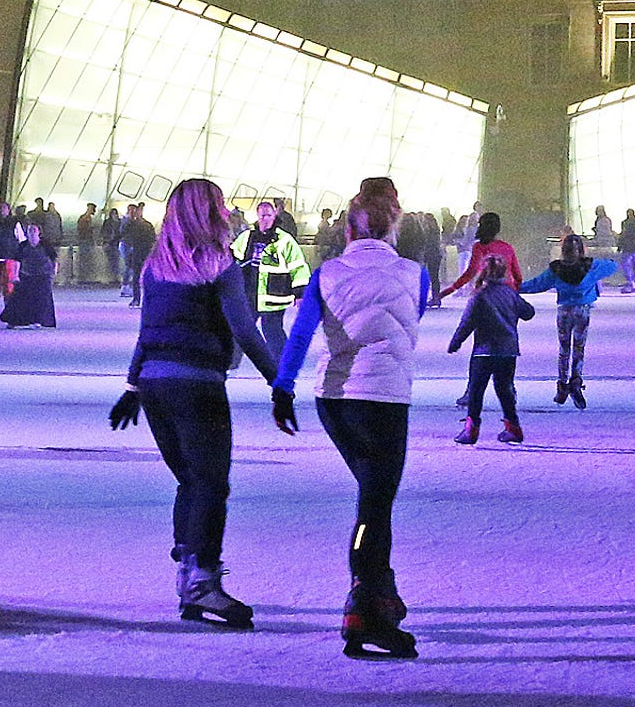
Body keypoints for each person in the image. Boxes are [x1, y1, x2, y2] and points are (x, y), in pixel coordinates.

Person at [108, 177, 294, 629]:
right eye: (220, 206)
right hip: (197, 384)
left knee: (190, 480)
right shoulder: (217, 263)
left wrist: (133, 386)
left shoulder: (155, 267)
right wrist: (280, 383)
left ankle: (189, 574)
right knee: (211, 483)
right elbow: (245, 330)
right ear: (210, 213)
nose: (227, 212)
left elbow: (146, 331)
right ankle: (202, 580)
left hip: (155, 384)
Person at [273, 181, 427, 659]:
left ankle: (380, 591)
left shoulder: (327, 274)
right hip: (384, 399)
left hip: (335, 400)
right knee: (375, 505)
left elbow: (301, 333)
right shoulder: (415, 274)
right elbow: (414, 317)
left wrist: (283, 386)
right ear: (394, 226)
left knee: (373, 500)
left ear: (348, 229)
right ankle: (364, 604)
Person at [445, 259, 533, 443]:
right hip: (508, 350)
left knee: (476, 390)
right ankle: (513, 427)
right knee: (505, 390)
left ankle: (471, 429)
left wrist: (456, 342)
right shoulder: (510, 293)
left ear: (482, 273)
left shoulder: (480, 295)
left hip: (484, 351)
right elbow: (528, 312)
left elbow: (467, 323)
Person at [530, 231, 617, 408]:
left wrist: (513, 287)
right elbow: (613, 266)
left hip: (564, 310)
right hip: (582, 310)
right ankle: (576, 382)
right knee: (579, 347)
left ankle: (562, 384)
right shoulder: (590, 266)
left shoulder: (557, 269)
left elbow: (538, 284)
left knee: (564, 348)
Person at [238, 199, 309, 350]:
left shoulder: (285, 240)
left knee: (272, 332)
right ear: (257, 216)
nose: (265, 219)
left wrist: (300, 293)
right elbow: (231, 258)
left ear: (274, 216)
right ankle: (230, 361)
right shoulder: (247, 237)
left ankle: (283, 361)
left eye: (269, 215)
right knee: (242, 331)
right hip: (250, 294)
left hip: (274, 297)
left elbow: (298, 267)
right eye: (262, 216)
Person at [443, 212, 521, 296]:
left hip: (488, 293)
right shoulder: (507, 247)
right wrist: (514, 291)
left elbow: (472, 272)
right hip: (508, 291)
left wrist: (450, 290)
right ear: (498, 229)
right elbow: (518, 276)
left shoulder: (479, 247)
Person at [2, 218, 60, 327]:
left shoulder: (46, 245)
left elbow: (54, 260)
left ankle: (40, 321)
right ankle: (15, 321)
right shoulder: (23, 245)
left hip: (43, 275)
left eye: (34, 230)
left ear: (39, 232)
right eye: (29, 230)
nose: (32, 232)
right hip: (26, 274)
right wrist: (15, 275)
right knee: (19, 298)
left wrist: (54, 273)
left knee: (41, 299)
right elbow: (17, 261)